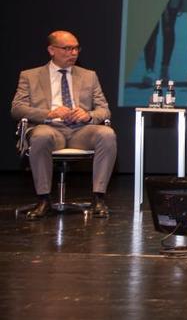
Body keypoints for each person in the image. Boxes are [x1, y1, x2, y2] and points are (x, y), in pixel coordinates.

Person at [11, 31, 117, 219]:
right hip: (49, 128)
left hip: (80, 131)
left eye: (76, 48)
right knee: (41, 136)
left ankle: (98, 198)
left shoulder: (89, 76)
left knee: (107, 134)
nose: (73, 53)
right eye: (67, 48)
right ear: (51, 50)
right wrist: (48, 114)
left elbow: (104, 110)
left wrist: (88, 115)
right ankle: (44, 199)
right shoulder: (30, 76)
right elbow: (17, 109)